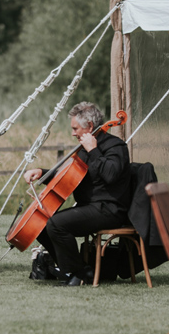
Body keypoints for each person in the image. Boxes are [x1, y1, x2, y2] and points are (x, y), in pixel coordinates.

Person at [23, 101, 133, 286]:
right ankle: (78, 269)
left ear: (89, 126)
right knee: (41, 223)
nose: (73, 133)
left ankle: (78, 272)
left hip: (109, 209)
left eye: (75, 128)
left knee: (56, 224)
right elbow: (70, 176)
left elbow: (111, 175)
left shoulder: (115, 146)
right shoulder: (84, 150)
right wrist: (43, 172)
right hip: (89, 208)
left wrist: (93, 150)